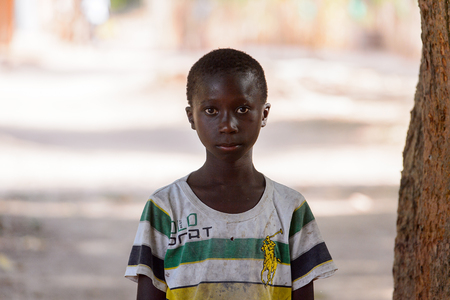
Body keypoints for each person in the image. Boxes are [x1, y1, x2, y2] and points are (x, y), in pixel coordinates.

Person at [125, 48, 337, 299]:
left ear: (264, 114)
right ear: (191, 117)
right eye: (211, 111)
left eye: (243, 109)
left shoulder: (290, 208)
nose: (227, 125)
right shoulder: (165, 208)